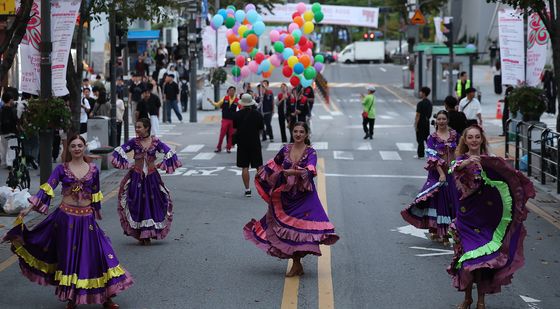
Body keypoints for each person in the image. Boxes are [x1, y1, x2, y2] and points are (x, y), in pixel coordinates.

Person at [4, 135, 133, 308]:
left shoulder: (93, 169)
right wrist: (29, 208)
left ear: (84, 147)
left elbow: (95, 192)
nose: (77, 148)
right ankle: (72, 298)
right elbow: (48, 189)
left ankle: (107, 297)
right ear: (69, 149)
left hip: (87, 219)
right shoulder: (62, 169)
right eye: (73, 146)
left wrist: (97, 211)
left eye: (80, 145)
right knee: (70, 258)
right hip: (66, 219)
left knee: (99, 255)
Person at [448, 125, 534, 309]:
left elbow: (508, 177)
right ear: (465, 140)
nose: (473, 140)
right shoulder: (460, 161)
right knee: (467, 260)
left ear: (481, 139)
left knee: (482, 263)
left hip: (485, 220)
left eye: (477, 137)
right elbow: (453, 170)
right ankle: (467, 298)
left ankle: (480, 300)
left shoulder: (491, 162)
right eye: (470, 137)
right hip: (465, 220)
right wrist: (467, 163)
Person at [244, 122, 339, 277]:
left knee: (301, 231)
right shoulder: (286, 149)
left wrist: (292, 172)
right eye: (295, 131)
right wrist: (262, 172)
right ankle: (297, 264)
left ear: (307, 134)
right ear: (292, 132)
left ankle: (296, 264)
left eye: (301, 132)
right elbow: (274, 164)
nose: (298, 134)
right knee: (285, 229)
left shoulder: (311, 152)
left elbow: (310, 170)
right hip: (286, 196)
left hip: (304, 196)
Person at [111, 118, 182, 245]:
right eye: (136, 127)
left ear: (147, 128)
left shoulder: (155, 142)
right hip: (136, 177)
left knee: (153, 203)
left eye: (139, 127)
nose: (137, 129)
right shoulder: (134, 142)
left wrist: (162, 164)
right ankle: (140, 233)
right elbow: (119, 151)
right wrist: (127, 165)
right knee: (136, 203)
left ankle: (148, 233)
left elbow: (169, 152)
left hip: (152, 178)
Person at [401, 110, 460, 246]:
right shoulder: (432, 138)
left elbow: (459, 152)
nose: (441, 121)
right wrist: (442, 174)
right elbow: (432, 157)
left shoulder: (455, 135)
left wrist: (457, 168)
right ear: (436, 121)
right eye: (439, 119)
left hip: (453, 173)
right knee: (441, 202)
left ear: (447, 120)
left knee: (454, 201)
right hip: (438, 175)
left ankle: (452, 231)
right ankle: (442, 233)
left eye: (444, 118)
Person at [233, 94, 264, 197]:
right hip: (255, 142)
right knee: (258, 166)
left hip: (242, 143)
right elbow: (261, 129)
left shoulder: (237, 115)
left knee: (244, 167)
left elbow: (235, 129)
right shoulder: (257, 114)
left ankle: (247, 189)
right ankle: (261, 187)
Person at [208, 86, 238, 153]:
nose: (231, 92)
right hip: (225, 119)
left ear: (235, 92)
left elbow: (240, 109)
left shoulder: (237, 100)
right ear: (228, 91)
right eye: (230, 90)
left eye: (233, 90)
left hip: (232, 120)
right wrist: (211, 102)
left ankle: (228, 148)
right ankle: (218, 147)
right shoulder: (225, 98)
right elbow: (217, 105)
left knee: (230, 135)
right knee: (222, 134)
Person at [0, 93, 19, 168]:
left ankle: (4, 162)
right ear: (10, 100)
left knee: (3, 148)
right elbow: (16, 120)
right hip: (12, 131)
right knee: (11, 148)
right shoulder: (13, 110)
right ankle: (10, 163)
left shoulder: (1, 110)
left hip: (3, 131)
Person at [415, 87, 433, 159]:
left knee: (420, 139)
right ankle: (431, 153)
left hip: (420, 122)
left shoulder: (420, 103)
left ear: (423, 93)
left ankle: (420, 154)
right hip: (426, 122)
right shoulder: (429, 103)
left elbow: (417, 115)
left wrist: (416, 124)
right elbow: (430, 114)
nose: (420, 93)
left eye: (421, 92)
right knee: (426, 138)